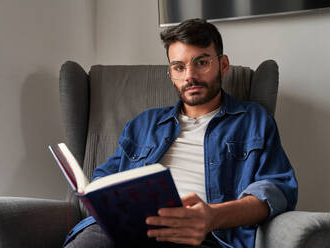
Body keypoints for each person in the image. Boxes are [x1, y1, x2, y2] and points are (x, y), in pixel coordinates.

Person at [64, 18, 298, 248]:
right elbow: (106, 177)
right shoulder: (144, 124)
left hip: (201, 234)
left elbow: (278, 190)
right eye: (179, 67)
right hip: (121, 228)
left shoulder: (253, 120)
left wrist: (212, 216)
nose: (190, 76)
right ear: (171, 73)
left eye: (201, 63)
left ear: (223, 65)